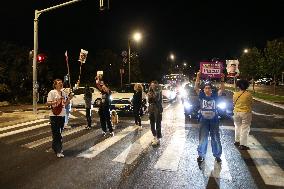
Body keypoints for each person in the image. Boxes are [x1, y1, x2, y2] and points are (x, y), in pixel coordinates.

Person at [194, 71, 225, 163]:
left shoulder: (215, 96)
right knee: (203, 137)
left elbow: (222, 89)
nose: (207, 89)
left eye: (209, 88)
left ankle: (217, 155)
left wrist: (222, 79)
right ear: (203, 90)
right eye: (206, 88)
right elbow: (196, 87)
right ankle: (201, 155)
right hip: (203, 120)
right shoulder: (201, 95)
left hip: (214, 120)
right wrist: (198, 76)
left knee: (215, 137)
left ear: (211, 90)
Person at [46, 79, 72, 158]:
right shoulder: (52, 92)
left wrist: (69, 99)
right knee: (57, 133)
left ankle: (55, 146)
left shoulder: (63, 93)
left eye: (61, 83)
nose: (61, 84)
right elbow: (47, 103)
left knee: (58, 133)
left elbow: (65, 103)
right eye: (59, 83)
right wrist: (55, 102)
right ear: (55, 85)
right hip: (54, 115)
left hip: (62, 115)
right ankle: (59, 150)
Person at [233, 79, 252, 150]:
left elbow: (234, 102)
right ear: (247, 86)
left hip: (236, 112)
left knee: (237, 126)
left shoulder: (235, 94)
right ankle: (243, 144)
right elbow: (251, 103)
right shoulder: (248, 94)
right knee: (245, 128)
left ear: (238, 86)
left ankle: (237, 141)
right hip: (246, 112)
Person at [148, 80, 163, 146]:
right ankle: (154, 136)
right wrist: (149, 96)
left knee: (158, 123)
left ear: (156, 85)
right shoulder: (150, 91)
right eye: (151, 85)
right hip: (151, 108)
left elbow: (157, 99)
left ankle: (158, 138)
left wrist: (153, 94)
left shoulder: (158, 91)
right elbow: (149, 101)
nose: (152, 86)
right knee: (152, 123)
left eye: (153, 85)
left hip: (157, 108)